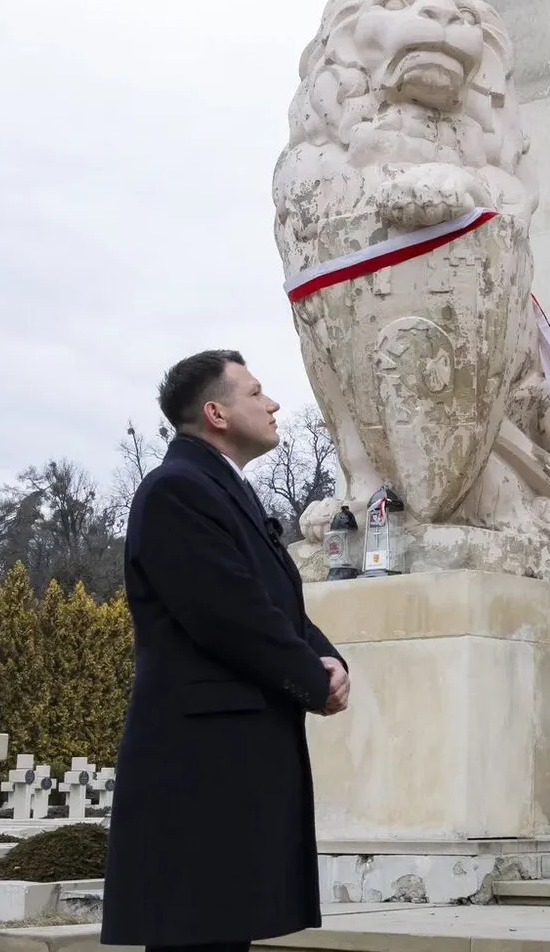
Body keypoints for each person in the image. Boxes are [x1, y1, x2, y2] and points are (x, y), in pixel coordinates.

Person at [101, 350, 350, 952]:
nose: (273, 404)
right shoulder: (176, 492)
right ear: (215, 412)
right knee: (198, 934)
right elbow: (230, 615)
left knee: (219, 932)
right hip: (199, 766)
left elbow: (278, 604)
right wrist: (312, 680)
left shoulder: (219, 489)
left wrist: (330, 657)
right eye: (256, 392)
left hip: (230, 760)